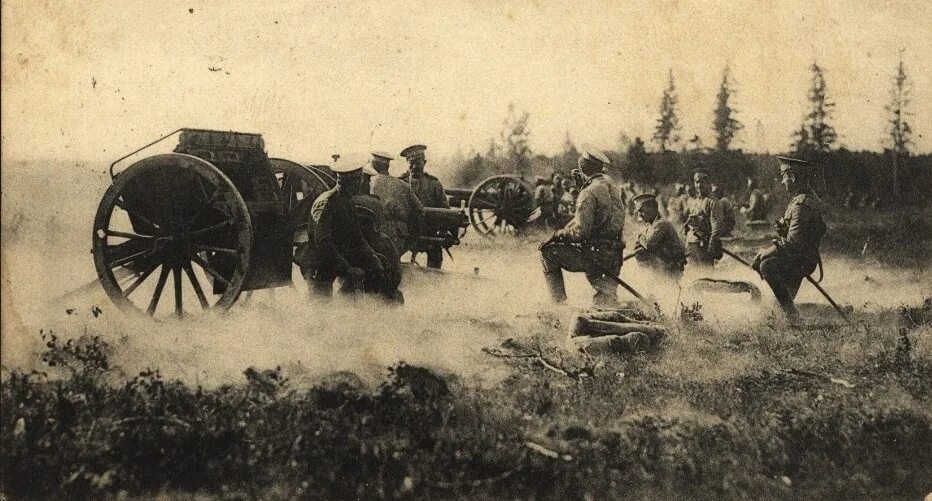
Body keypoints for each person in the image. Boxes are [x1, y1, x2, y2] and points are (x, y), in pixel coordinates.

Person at [540, 147, 626, 307]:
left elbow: (580, 231)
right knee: (606, 299)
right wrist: (583, 186)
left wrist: (558, 234)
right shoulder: (610, 184)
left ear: (581, 167)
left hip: (596, 255)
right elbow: (604, 215)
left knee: (547, 254)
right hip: (615, 254)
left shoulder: (588, 193)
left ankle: (558, 306)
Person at [752, 156, 827, 322]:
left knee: (767, 264)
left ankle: (792, 314)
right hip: (800, 257)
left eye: (783, 176)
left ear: (793, 177)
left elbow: (793, 243)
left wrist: (765, 253)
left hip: (801, 259)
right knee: (776, 305)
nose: (782, 181)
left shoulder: (801, 205)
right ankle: (794, 309)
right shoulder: (801, 200)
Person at [306, 162, 385, 300]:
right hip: (320, 263)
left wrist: (373, 258)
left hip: (337, 260)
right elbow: (323, 242)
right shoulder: (327, 202)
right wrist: (346, 268)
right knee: (319, 307)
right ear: (351, 181)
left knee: (369, 274)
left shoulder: (346, 201)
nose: (362, 183)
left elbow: (357, 238)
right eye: (360, 179)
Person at [398, 144, 448, 268]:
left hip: (428, 230)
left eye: (418, 163)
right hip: (405, 231)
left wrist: (441, 228)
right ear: (407, 163)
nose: (414, 167)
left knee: (436, 255)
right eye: (411, 163)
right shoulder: (400, 183)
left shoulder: (434, 184)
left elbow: (445, 209)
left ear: (424, 163)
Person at [368, 151, 423, 255]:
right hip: (398, 235)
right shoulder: (402, 184)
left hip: (374, 231)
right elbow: (419, 210)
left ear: (373, 165)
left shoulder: (368, 182)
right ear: (387, 166)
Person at [353, 198, 404, 304]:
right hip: (364, 286)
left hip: (379, 286)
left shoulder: (383, 242)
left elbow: (395, 274)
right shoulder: (382, 240)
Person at [631, 193, 687, 280]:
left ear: (652, 208)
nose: (640, 215)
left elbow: (649, 244)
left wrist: (640, 237)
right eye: (639, 212)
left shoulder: (661, 224)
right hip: (663, 268)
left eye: (642, 210)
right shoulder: (651, 226)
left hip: (671, 270)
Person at [682, 169, 725, 268]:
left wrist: (711, 245)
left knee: (706, 275)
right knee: (692, 274)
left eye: (703, 181)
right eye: (697, 182)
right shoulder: (694, 201)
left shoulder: (713, 202)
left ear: (708, 183)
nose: (699, 185)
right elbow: (689, 221)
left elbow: (716, 227)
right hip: (691, 243)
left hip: (704, 245)